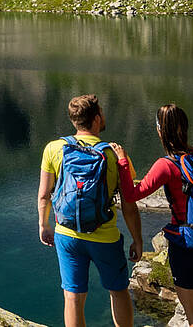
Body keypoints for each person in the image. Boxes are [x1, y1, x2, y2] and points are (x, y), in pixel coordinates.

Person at [121, 104, 193, 327]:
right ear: (185, 127)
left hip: (189, 245)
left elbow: (131, 194)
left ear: (159, 130)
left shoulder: (166, 165)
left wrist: (122, 162)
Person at [38, 94, 143, 327]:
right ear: (96, 119)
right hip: (105, 236)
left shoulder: (54, 148)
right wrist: (137, 239)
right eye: (102, 113)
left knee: (73, 297)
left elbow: (45, 194)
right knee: (118, 291)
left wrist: (44, 225)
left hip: (67, 234)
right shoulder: (114, 154)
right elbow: (128, 202)